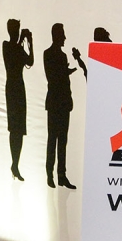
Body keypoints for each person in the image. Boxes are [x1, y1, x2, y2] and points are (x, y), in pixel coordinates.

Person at [43, 23, 79, 189]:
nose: (64, 37)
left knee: (62, 141)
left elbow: (62, 79)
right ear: (56, 35)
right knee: (53, 139)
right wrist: (65, 72)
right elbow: (53, 77)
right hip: (55, 102)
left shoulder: (62, 56)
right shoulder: (48, 54)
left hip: (63, 102)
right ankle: (50, 174)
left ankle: (61, 175)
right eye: (62, 34)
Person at [3, 19, 33, 181]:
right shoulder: (7, 46)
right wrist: (23, 40)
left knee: (19, 129)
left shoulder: (17, 48)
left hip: (19, 88)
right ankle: (14, 164)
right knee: (14, 127)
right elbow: (13, 56)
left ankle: (15, 164)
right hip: (13, 88)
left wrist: (30, 44)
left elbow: (30, 61)